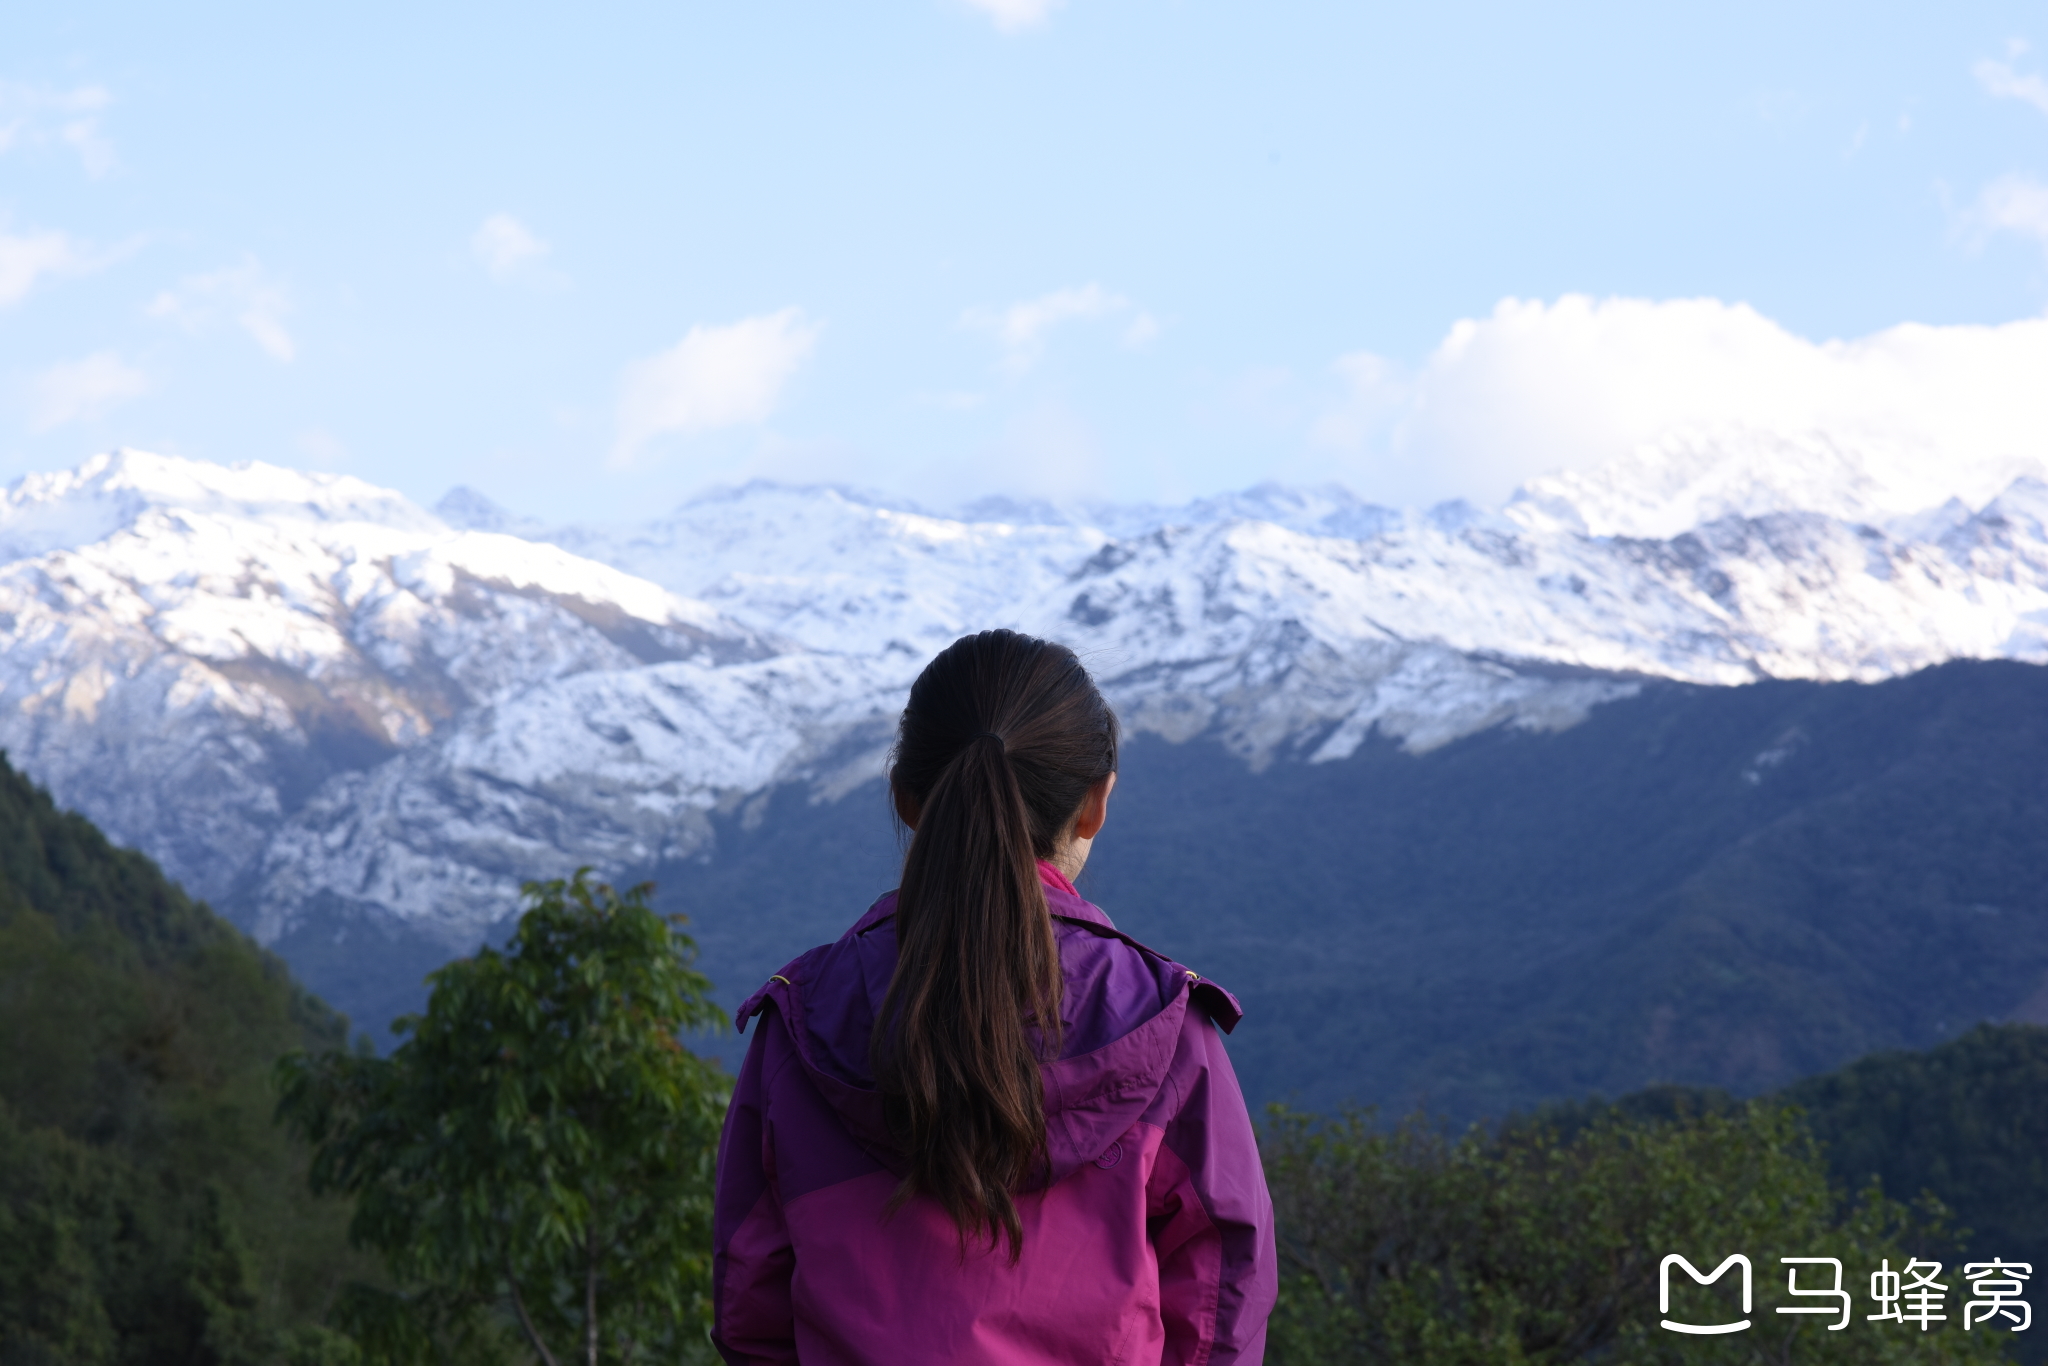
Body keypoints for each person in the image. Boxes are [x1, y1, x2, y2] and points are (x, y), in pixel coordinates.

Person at [712, 629, 1277, 1365]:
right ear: (1094, 804)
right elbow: (1222, 1284)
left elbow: (750, 1296)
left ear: (907, 801)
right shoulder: (1160, 1022)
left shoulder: (806, 1020)